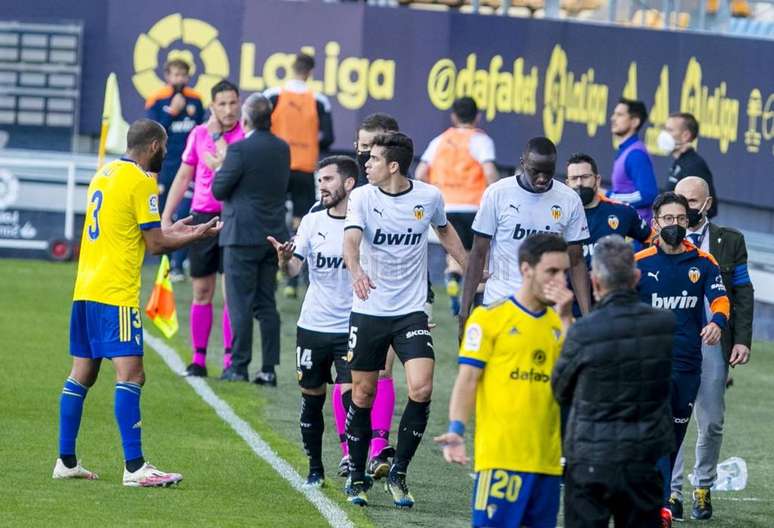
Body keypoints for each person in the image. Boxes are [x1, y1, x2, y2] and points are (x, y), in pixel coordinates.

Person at [52, 119, 221, 486]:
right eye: (165, 147)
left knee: (82, 374)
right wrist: (194, 236)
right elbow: (156, 245)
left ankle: (66, 461)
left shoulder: (105, 174)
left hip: (86, 290)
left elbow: (136, 233)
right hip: (116, 294)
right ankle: (135, 467)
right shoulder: (142, 181)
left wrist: (176, 231)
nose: (166, 153)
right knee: (132, 375)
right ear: (155, 146)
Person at [342, 132, 467, 507]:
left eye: (374, 159)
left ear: (393, 166)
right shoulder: (362, 197)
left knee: (422, 389)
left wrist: (471, 267)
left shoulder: (429, 197)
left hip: (411, 311)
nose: (366, 164)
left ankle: (398, 473)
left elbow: (445, 231)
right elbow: (351, 240)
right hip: (369, 310)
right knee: (363, 393)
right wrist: (356, 271)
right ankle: (357, 474)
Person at [435, 233, 575, 528]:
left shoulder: (562, 325)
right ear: (526, 269)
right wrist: (456, 431)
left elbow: (571, 384)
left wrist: (565, 321)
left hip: (548, 465)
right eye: (551, 271)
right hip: (501, 461)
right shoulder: (489, 319)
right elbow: (468, 380)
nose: (560, 281)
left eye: (564, 272)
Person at [552, 235, 675, 528]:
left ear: (595, 282)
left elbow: (560, 389)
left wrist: (565, 321)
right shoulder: (664, 323)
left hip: (591, 459)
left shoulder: (584, 330)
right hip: (643, 459)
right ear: (636, 278)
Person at [635, 192, 730, 516]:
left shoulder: (704, 262)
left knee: (674, 437)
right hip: (650, 365)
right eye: (668, 219)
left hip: (688, 364)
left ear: (687, 221)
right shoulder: (639, 262)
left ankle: (660, 499)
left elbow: (720, 299)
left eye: (679, 218)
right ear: (655, 222)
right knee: (655, 433)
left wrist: (717, 322)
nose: (674, 224)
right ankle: (658, 505)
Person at [266, 156, 357, 488]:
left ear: (349, 183)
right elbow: (294, 269)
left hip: (352, 326)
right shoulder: (312, 221)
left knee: (354, 397)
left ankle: (354, 467)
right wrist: (284, 260)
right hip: (314, 325)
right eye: (320, 180)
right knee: (312, 398)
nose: (322, 186)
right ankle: (315, 468)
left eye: (329, 179)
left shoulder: (364, 223)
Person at [669, 177, 754, 521]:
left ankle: (702, 486)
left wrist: (742, 339)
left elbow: (743, 292)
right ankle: (672, 491)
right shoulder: (662, 239)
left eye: (691, 201)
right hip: (674, 342)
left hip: (714, 344)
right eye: (679, 199)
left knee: (712, 421)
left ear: (707, 203)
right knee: (671, 417)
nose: (684, 207)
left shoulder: (731, 241)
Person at [459, 137, 591, 337]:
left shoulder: (570, 199)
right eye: (535, 171)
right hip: (499, 304)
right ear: (523, 163)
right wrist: (464, 312)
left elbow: (577, 260)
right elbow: (478, 254)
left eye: (548, 171)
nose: (542, 178)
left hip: (546, 309)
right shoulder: (497, 193)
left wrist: (587, 317)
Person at [161, 80, 244, 378]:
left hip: (234, 218)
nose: (228, 109)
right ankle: (198, 359)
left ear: (240, 103)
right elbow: (184, 177)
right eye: (222, 104)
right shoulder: (198, 134)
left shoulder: (246, 135)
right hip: (202, 219)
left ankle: (230, 361)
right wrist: (166, 216)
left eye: (233, 102)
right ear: (212, 106)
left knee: (232, 293)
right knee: (201, 290)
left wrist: (218, 139)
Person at [212, 94, 289, 385]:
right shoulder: (282, 148)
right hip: (272, 235)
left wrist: (219, 165)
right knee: (266, 303)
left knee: (240, 304)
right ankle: (268, 369)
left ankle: (239, 366)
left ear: (245, 120)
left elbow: (219, 189)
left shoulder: (239, 149)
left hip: (241, 236)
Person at [415, 96, 498, 316]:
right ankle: (477, 312)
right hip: (475, 208)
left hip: (447, 208)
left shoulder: (440, 140)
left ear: (453, 117)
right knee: (480, 261)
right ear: (477, 117)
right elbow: (489, 172)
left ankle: (453, 278)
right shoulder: (481, 140)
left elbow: (420, 173)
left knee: (455, 255)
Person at [265, 52, 334, 299]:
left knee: (274, 214)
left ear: (291, 68)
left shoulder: (272, 95)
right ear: (310, 72)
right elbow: (328, 137)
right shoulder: (319, 100)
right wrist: (308, 143)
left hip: (277, 166)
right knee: (300, 221)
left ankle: (273, 266)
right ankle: (293, 281)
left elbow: (260, 126)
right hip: (305, 166)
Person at [565, 152, 652, 313]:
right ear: (567, 183)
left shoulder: (622, 211)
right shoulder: (559, 217)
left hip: (616, 305)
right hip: (571, 308)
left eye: (585, 177)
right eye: (574, 178)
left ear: (597, 180)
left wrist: (634, 266)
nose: (579, 183)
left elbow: (652, 241)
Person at [144, 58, 205, 280]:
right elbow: (152, 132)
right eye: (175, 74)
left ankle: (179, 264)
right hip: (164, 166)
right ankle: (166, 263)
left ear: (188, 77)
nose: (179, 79)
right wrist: (172, 111)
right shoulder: (157, 99)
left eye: (183, 75)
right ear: (167, 76)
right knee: (163, 213)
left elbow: (200, 131)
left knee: (186, 213)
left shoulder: (196, 99)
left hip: (189, 167)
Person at [660, 112, 719, 218]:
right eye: (665, 129)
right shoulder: (679, 161)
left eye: (670, 130)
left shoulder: (694, 165)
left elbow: (710, 208)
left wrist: (685, 221)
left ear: (685, 135)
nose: (664, 134)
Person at [608, 98, 658, 223]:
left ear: (635, 121)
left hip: (637, 230)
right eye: (614, 114)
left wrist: (610, 197)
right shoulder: (627, 150)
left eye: (620, 115)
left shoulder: (636, 154)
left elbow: (647, 194)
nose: (613, 118)